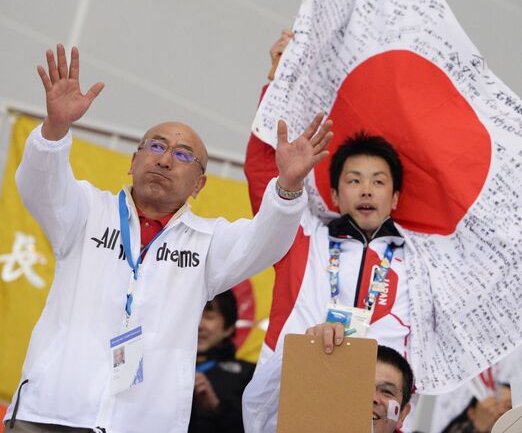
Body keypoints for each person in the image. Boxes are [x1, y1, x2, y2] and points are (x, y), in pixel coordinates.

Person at [4, 44, 333, 433]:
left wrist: (289, 185)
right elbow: (38, 185)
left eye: (182, 155)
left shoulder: (207, 241)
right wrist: (55, 129)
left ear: (199, 185)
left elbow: (268, 240)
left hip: (141, 423)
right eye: (156, 146)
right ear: (133, 162)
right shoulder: (86, 211)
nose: (164, 159)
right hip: (51, 413)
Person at [242, 32, 411, 432]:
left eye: (378, 181)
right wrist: (278, 80)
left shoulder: (419, 261)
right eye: (354, 180)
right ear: (334, 193)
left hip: (377, 414)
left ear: (397, 196)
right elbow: (265, 175)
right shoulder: (304, 236)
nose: (366, 189)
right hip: (292, 405)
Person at [188, 290, 254, 432]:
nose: (199, 325)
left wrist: (216, 406)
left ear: (228, 328)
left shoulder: (249, 375)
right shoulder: (162, 371)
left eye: (209, 316)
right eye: (194, 315)